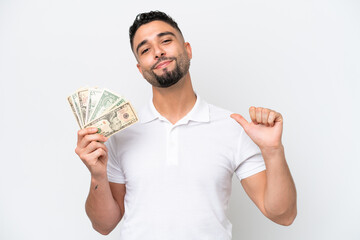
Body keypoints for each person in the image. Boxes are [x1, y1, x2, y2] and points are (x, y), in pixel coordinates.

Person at [75, 11, 297, 239]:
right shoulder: (123, 134)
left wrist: (273, 151)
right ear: (141, 69)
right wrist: (97, 175)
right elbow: (104, 225)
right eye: (145, 49)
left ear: (188, 49)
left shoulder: (232, 127)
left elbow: (283, 215)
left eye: (166, 41)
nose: (158, 52)